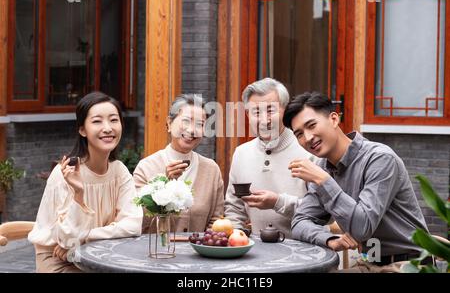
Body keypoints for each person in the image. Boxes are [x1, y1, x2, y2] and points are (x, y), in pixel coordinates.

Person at [283, 91, 429, 273]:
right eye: (299, 134)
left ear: (334, 119)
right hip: (369, 262)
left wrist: (324, 180)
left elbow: (362, 228)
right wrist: (329, 240)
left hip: (408, 265)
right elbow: (299, 223)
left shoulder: (380, 159)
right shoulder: (322, 167)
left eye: (311, 125)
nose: (308, 137)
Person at [28, 92, 143, 273]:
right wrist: (79, 196)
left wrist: (87, 236)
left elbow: (133, 225)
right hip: (59, 260)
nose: (107, 128)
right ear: (82, 130)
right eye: (97, 121)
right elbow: (66, 240)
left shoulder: (119, 171)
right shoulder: (65, 173)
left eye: (113, 120)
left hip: (101, 256)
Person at [224, 78, 314, 238]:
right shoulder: (241, 153)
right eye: (256, 112)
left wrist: (277, 202)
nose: (264, 120)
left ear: (285, 110)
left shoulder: (309, 150)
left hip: (305, 250)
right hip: (256, 254)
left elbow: (322, 213)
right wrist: (237, 239)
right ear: (247, 114)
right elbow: (234, 208)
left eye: (271, 111)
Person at [133, 94, 224, 232]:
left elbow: (217, 221)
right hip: (159, 252)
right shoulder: (146, 167)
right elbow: (139, 221)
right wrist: (165, 185)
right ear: (169, 124)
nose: (192, 130)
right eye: (186, 121)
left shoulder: (211, 170)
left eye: (200, 124)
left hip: (198, 251)